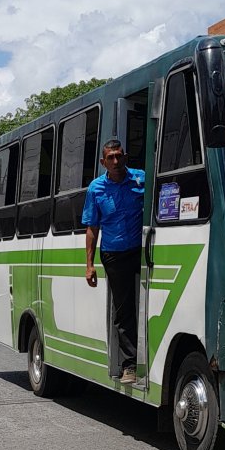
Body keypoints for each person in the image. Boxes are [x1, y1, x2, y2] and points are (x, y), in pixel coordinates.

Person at [82, 139, 145, 384]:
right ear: (103, 162)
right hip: (114, 254)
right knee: (124, 310)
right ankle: (128, 366)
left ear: (125, 157)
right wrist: (89, 265)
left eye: (119, 156)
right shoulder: (96, 189)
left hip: (142, 250)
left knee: (150, 304)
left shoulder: (141, 179)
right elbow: (92, 228)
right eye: (111, 158)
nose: (116, 162)